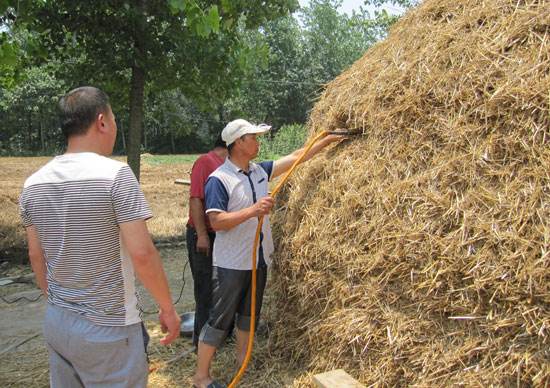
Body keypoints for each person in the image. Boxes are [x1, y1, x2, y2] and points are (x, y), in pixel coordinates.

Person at [19, 86, 180, 388]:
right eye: (115, 120)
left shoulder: (33, 184)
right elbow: (142, 254)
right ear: (102, 121)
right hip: (109, 330)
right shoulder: (115, 175)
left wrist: (58, 302)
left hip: (58, 322)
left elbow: (35, 256)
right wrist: (167, 309)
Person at [192, 119, 344, 388]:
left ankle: (243, 364)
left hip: (258, 259)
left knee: (249, 316)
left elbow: (298, 157)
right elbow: (216, 222)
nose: (258, 142)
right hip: (232, 263)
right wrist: (253, 210)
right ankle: (201, 377)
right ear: (238, 142)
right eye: (253, 137)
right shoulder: (220, 179)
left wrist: (327, 140)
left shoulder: (259, 172)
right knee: (219, 320)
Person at [186, 136, 228, 348]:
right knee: (204, 289)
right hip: (203, 235)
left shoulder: (228, 166)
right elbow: (195, 198)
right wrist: (202, 235)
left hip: (220, 235)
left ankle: (217, 337)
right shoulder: (206, 162)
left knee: (219, 286)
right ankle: (200, 342)